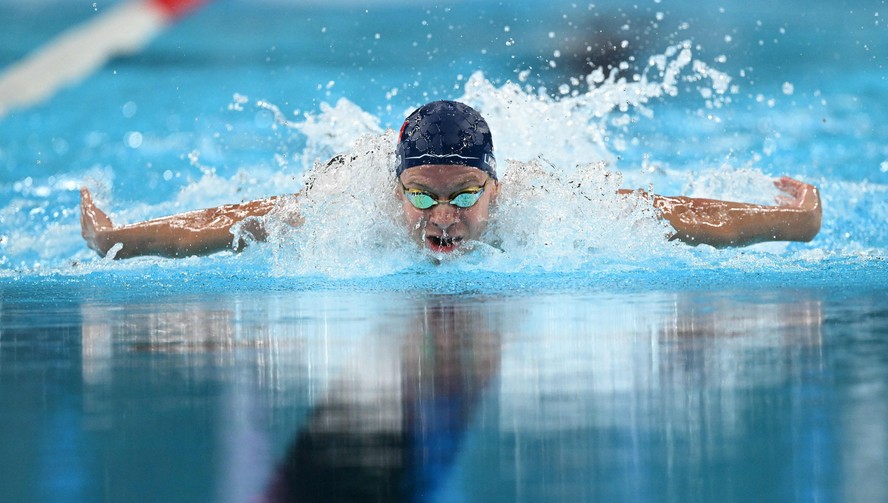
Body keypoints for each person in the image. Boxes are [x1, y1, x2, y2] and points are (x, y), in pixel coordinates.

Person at [80, 100, 822, 259]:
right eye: (423, 195)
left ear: (495, 189)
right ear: (395, 190)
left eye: (466, 194)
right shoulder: (351, 205)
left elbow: (670, 213)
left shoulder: (549, 205)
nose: (445, 215)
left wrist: (791, 220)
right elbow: (236, 222)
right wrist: (122, 238)